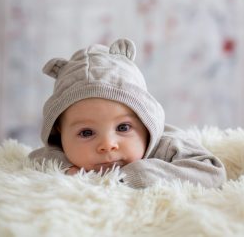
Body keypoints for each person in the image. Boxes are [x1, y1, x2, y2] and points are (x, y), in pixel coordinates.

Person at [29, 38, 226, 189]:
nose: (107, 145)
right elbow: (37, 157)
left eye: (123, 127)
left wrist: (140, 174)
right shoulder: (63, 151)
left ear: (145, 121)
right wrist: (68, 169)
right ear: (59, 133)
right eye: (86, 133)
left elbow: (212, 172)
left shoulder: (167, 145)